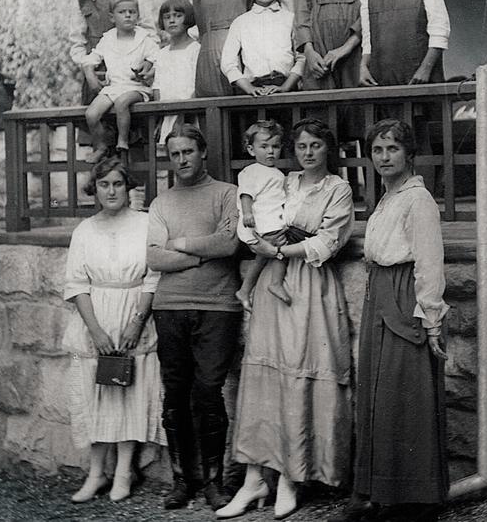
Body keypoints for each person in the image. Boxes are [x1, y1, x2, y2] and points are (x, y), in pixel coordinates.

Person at [219, 119, 355, 521]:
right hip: (271, 289)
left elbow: (327, 242)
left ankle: (290, 480)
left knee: (296, 375)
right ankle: (253, 478)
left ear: (327, 148)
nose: (308, 152)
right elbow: (257, 213)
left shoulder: (338, 188)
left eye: (315, 145)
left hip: (308, 287)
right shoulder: (283, 179)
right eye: (301, 145)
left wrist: (278, 255)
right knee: (265, 378)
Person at [340, 119, 449, 522]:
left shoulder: (417, 200)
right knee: (378, 396)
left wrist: (431, 318)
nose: (384, 157)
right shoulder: (387, 197)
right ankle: (380, 493)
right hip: (380, 295)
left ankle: (415, 501)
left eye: (393, 149)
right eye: (378, 150)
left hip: (406, 297)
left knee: (406, 396)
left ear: (409, 153)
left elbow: (429, 262)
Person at [147, 124, 241, 511]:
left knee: (207, 392)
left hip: (218, 306)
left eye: (188, 152)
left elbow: (230, 242)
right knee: (176, 395)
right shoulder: (161, 203)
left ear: (202, 153)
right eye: (174, 154)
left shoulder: (226, 193)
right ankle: (182, 480)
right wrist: (206, 253)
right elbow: (154, 257)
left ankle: (214, 481)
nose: (182, 160)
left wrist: (183, 247)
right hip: (169, 307)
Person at [62, 156, 166, 504]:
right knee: (97, 398)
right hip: (96, 320)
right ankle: (96, 474)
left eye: (118, 184)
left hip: (133, 315)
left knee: (130, 396)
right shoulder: (85, 230)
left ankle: (123, 473)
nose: (111, 190)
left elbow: (153, 276)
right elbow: (76, 284)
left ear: (128, 187)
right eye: (104, 184)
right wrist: (96, 331)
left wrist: (138, 322)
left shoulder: (146, 224)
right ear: (95, 188)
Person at [82, 0, 159, 162]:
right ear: (111, 17)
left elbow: (158, 58)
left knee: (122, 102)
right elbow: (91, 58)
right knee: (91, 114)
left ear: (137, 15)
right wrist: (90, 73)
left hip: (137, 88)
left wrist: (148, 67)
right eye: (122, 12)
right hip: (114, 87)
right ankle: (101, 145)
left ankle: (122, 140)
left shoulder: (144, 39)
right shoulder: (108, 39)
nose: (127, 16)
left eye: (132, 12)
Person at [220, 0, 305, 96]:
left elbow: (302, 57)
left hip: (286, 88)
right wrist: (248, 88)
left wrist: (286, 87)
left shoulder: (290, 19)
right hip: (253, 91)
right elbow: (228, 63)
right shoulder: (241, 23)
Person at [234, 120, 288, 311]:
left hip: (273, 221)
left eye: (275, 146)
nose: (270, 151)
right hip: (260, 223)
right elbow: (246, 193)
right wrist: (247, 212)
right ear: (251, 149)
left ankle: (245, 289)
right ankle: (275, 283)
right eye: (264, 146)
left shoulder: (278, 174)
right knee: (280, 249)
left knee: (267, 255)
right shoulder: (252, 171)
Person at [151, 0, 200, 144]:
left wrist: (184, 114)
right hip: (167, 115)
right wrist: (160, 118)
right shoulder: (161, 53)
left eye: (178, 16)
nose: (172, 20)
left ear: (188, 18)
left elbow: (196, 85)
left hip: (190, 114)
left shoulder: (195, 49)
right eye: (167, 17)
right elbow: (157, 86)